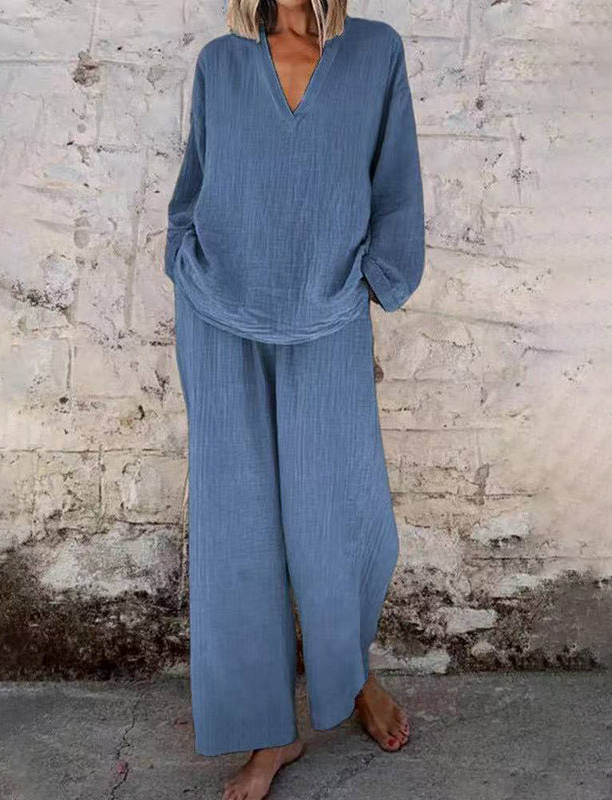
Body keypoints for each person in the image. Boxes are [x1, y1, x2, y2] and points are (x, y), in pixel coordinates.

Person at [165, 0, 425, 797]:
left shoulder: (375, 53)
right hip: (219, 318)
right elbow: (196, 182)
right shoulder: (221, 62)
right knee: (238, 531)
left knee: (336, 516)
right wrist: (182, 252)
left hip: (327, 318)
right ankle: (270, 735)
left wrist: (374, 282)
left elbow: (396, 185)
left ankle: (353, 679)